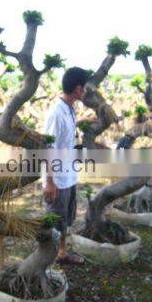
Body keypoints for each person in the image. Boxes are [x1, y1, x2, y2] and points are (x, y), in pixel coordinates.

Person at [43, 67, 91, 264]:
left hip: (69, 175)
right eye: (85, 87)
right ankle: (46, 260)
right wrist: (50, 182)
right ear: (78, 89)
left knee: (66, 219)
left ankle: (62, 253)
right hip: (58, 180)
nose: (86, 91)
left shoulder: (70, 110)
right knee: (54, 221)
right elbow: (48, 148)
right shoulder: (56, 113)